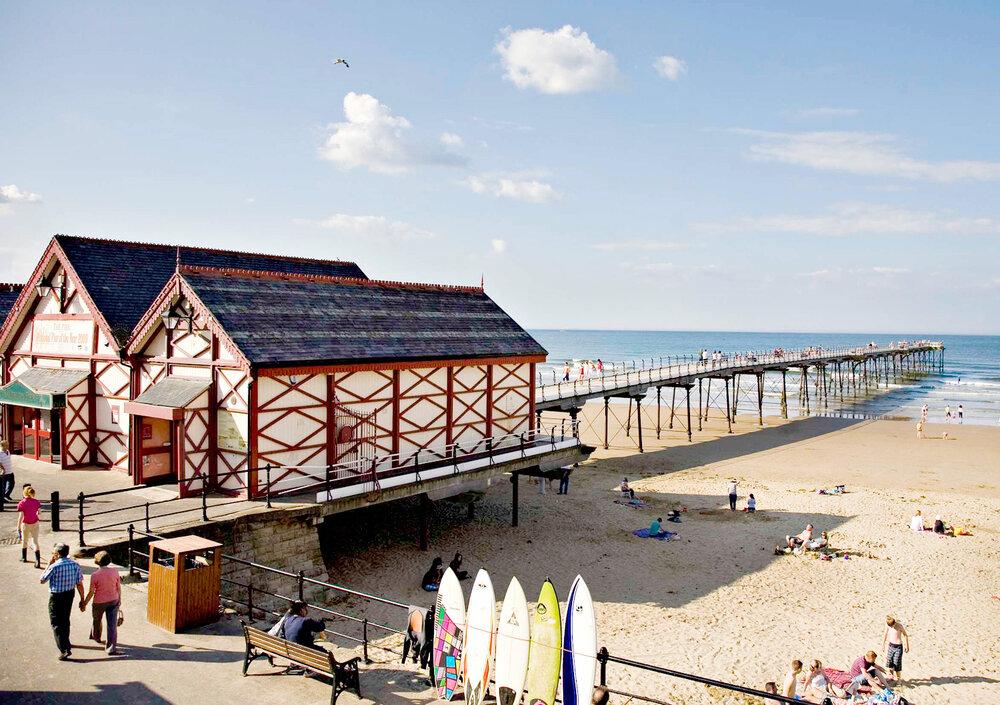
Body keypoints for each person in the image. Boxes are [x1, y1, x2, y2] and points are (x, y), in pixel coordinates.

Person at [40, 543, 85, 660]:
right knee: (65, 619)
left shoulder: (54, 566)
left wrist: (48, 564)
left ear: (57, 554)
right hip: (69, 594)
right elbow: (79, 583)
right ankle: (66, 642)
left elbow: (42, 580)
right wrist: (82, 599)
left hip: (56, 596)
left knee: (56, 622)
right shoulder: (75, 564)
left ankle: (64, 649)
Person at [80, 551, 121, 655]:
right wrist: (119, 599)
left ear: (97, 562)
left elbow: (91, 592)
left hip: (99, 602)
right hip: (113, 600)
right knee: (112, 625)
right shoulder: (115, 571)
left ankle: (96, 636)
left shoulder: (95, 575)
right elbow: (118, 587)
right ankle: (111, 648)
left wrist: (84, 602)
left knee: (97, 619)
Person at [17, 486, 42, 567]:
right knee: (35, 542)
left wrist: (18, 527)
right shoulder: (36, 502)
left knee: (24, 540)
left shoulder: (22, 503)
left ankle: (24, 558)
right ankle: (37, 560)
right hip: (35, 523)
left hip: (26, 523)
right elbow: (39, 512)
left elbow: (21, 516)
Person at [882, 616, 909, 681]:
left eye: (892, 626)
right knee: (889, 662)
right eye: (890, 626)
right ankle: (891, 677)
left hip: (898, 647)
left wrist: (907, 646)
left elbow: (905, 635)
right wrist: (883, 644)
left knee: (897, 664)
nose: (891, 627)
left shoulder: (899, 626)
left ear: (894, 623)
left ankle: (899, 679)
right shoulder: (888, 625)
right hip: (891, 645)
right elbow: (885, 634)